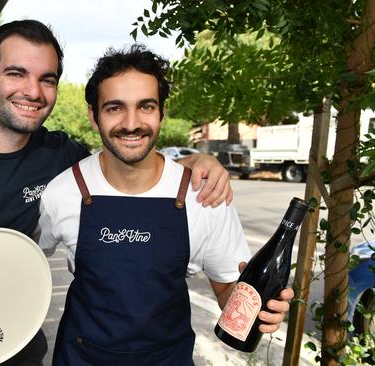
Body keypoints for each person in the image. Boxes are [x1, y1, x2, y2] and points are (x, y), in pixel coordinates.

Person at [0, 20, 234, 366]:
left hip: (18, 347)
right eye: (16, 74)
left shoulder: (59, 156)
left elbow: (123, 159)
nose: (33, 91)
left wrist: (194, 163)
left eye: (47, 79)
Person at [37, 44, 294, 365]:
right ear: (93, 115)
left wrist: (262, 309)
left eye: (145, 107)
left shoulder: (204, 195)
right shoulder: (63, 191)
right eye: (115, 107)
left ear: (161, 112)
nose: (131, 123)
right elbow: (28, 261)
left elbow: (230, 291)